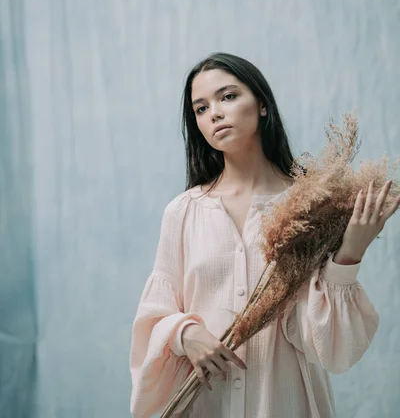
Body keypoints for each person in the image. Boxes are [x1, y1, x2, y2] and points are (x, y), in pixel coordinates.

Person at [129, 52, 385, 418]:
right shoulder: (183, 212)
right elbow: (154, 316)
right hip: (207, 402)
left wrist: (350, 254)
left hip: (286, 399)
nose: (214, 113)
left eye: (227, 96)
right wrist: (184, 333)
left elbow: (329, 346)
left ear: (262, 105)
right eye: (200, 108)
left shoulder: (310, 206)